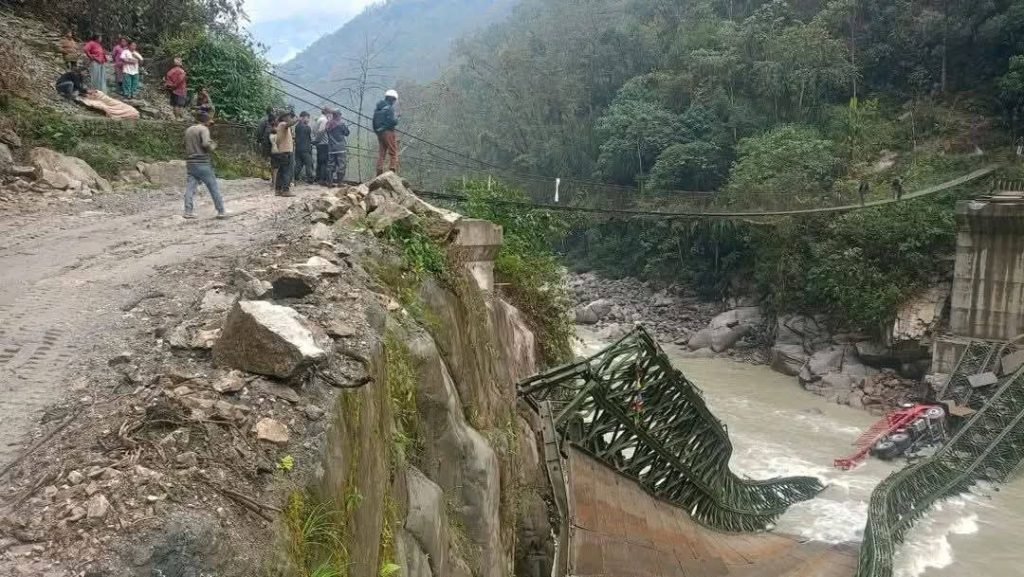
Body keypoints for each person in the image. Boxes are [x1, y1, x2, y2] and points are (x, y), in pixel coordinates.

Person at [183, 111, 229, 219]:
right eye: (210, 121)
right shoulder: (204, 129)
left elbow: (183, 144)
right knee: (213, 186)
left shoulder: (189, 130)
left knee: (190, 187)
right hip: (202, 162)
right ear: (206, 121)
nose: (210, 124)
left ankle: (188, 211)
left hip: (190, 163)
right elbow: (205, 144)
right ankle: (221, 210)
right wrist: (213, 146)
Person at [372, 89, 400, 175]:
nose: (394, 102)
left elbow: (374, 122)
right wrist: (397, 119)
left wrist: (378, 131)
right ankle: (392, 170)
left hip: (379, 133)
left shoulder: (378, 109)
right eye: (394, 100)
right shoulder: (390, 108)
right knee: (393, 151)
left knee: (382, 152)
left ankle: (379, 170)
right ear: (392, 99)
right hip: (388, 132)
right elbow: (392, 122)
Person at [272, 111, 298, 197]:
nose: (289, 118)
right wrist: (296, 119)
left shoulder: (280, 126)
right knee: (287, 171)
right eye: (288, 116)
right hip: (286, 151)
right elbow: (291, 123)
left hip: (282, 151)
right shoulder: (283, 124)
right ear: (283, 118)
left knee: (281, 171)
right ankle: (285, 190)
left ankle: (278, 190)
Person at [326, 110, 350, 186]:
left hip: (331, 148)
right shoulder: (341, 124)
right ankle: (340, 182)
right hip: (340, 148)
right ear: (338, 116)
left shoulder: (328, 124)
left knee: (330, 165)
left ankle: (329, 182)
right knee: (341, 165)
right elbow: (347, 133)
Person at [293, 111, 315, 184]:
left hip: (298, 149)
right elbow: (310, 138)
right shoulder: (307, 128)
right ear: (303, 117)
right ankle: (310, 180)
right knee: (309, 164)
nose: (308, 120)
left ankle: (293, 177)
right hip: (306, 149)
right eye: (307, 118)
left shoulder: (297, 127)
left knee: (298, 165)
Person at [313, 107, 331, 185]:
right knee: (324, 162)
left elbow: (314, 130)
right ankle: (322, 179)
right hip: (324, 143)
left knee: (320, 161)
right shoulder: (324, 120)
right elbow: (321, 130)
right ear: (327, 113)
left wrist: (316, 140)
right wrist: (318, 139)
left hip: (319, 144)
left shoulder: (318, 119)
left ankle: (318, 178)